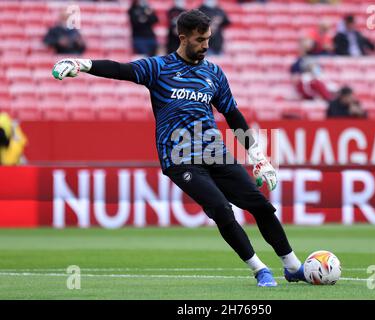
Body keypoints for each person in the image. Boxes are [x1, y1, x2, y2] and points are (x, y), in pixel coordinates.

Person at [51, 9, 306, 287]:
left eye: (208, 38)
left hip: (213, 150)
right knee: (221, 208)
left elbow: (233, 115)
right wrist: (83, 63)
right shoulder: (159, 68)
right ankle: (260, 269)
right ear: (182, 38)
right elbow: (121, 70)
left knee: (261, 206)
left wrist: (259, 157)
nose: (206, 45)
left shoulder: (214, 73)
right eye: (199, 40)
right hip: (179, 157)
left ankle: (292, 266)